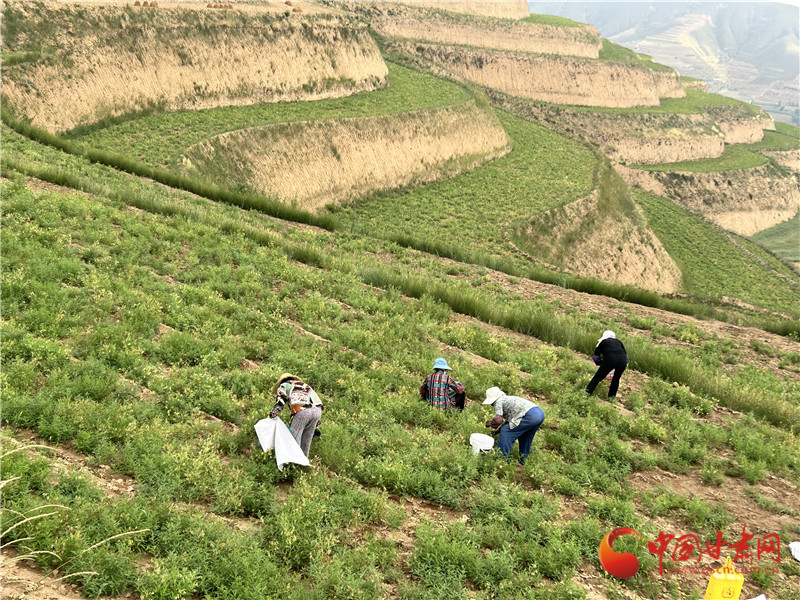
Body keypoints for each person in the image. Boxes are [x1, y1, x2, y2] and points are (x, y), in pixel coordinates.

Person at [483, 387, 545, 465]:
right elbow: (510, 422)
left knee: (506, 431)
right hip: (539, 414)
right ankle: (523, 461)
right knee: (525, 436)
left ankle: (501, 460)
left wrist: (491, 423)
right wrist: (497, 431)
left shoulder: (498, 401)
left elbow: (498, 420)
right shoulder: (508, 400)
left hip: (529, 415)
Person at [269, 373, 323, 458]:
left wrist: (272, 415)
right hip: (317, 411)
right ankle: (303, 461)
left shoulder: (284, 385)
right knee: (306, 440)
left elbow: (280, 402)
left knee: (294, 439)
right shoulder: (305, 386)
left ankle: (293, 461)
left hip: (302, 410)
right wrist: (315, 424)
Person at [585, 330, 628, 399]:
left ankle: (587, 393)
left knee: (597, 377)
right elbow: (626, 356)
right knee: (616, 379)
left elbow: (596, 357)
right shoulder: (618, 342)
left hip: (610, 359)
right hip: (623, 361)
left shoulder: (602, 342)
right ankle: (611, 398)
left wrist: (601, 364)